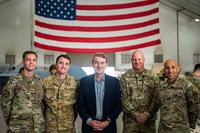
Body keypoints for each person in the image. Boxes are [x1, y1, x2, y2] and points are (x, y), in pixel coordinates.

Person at [0, 50, 44, 132]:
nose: (31, 62)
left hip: (36, 127)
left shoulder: (40, 81)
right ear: (23, 62)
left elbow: (40, 101)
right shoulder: (13, 81)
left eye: (34, 60)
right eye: (28, 60)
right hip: (17, 127)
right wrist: (11, 122)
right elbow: (5, 104)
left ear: (36, 62)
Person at [77, 53, 122, 133]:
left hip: (108, 127)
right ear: (92, 64)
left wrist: (107, 121)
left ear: (106, 65)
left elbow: (118, 105)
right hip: (89, 127)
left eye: (102, 63)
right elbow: (80, 105)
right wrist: (90, 121)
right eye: (96, 62)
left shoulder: (115, 82)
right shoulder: (84, 82)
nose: (99, 65)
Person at [155, 59, 200, 133]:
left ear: (178, 68)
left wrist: (191, 124)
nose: (170, 70)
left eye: (173, 67)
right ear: (164, 70)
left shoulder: (187, 86)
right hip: (164, 129)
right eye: (167, 68)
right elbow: (156, 104)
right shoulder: (160, 87)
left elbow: (195, 106)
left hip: (181, 129)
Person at [120, 50, 159, 133]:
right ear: (131, 61)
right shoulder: (124, 77)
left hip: (149, 121)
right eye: (134, 59)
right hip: (130, 122)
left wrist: (147, 114)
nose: (137, 62)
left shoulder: (153, 76)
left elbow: (157, 98)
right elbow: (123, 99)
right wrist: (135, 115)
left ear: (144, 60)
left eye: (139, 59)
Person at [43, 54, 77, 132]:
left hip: (68, 127)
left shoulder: (74, 83)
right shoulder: (45, 82)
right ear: (56, 65)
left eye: (66, 64)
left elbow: (76, 106)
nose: (63, 66)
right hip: (50, 127)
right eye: (61, 63)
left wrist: (70, 120)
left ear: (69, 67)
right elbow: (41, 105)